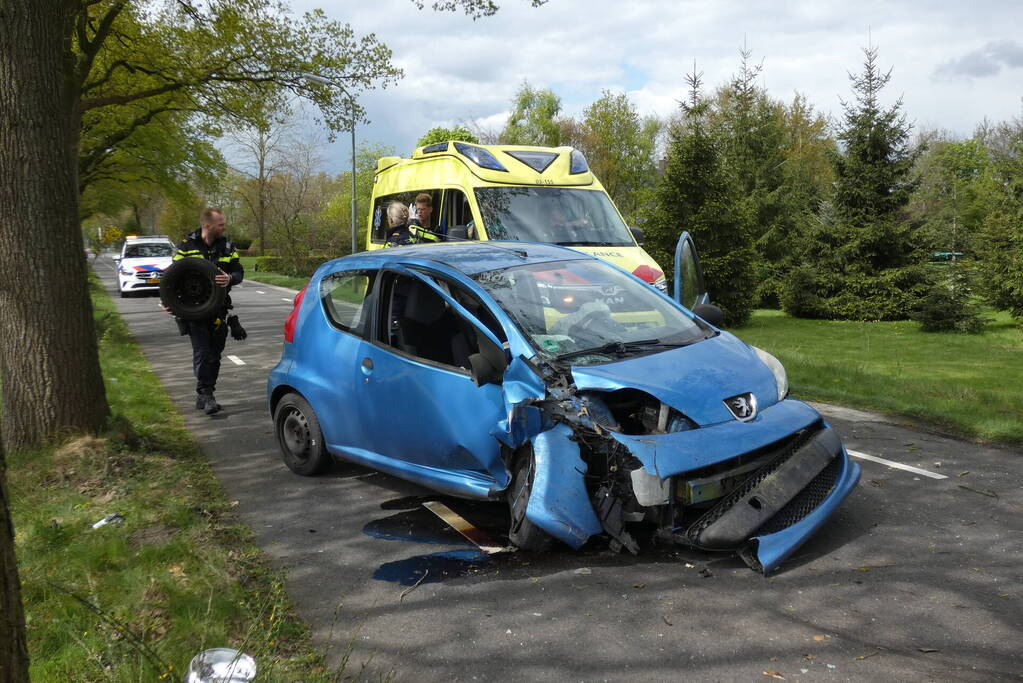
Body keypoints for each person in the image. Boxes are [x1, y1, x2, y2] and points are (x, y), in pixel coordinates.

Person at [170, 208, 245, 415]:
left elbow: (239, 271)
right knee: (202, 353)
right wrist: (171, 303)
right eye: (220, 224)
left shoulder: (228, 247)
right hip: (193, 310)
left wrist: (230, 278)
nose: (224, 227)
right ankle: (207, 393)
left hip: (219, 309)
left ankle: (203, 394)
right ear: (207, 226)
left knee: (215, 355)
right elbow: (172, 276)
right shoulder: (187, 246)